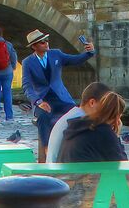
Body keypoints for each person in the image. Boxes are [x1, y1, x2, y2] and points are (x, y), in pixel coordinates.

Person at [20, 31, 97, 162]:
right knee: (43, 118)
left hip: (61, 99)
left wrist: (90, 52)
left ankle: (81, 147)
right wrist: (38, 101)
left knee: (78, 115)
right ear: (34, 46)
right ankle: (47, 150)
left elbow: (75, 60)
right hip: (43, 100)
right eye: (42, 42)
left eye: (46, 40)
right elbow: (27, 86)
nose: (46, 44)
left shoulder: (56, 54)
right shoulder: (28, 62)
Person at [56, 89, 128, 163]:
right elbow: (122, 163)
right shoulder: (104, 132)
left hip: (64, 173)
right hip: (82, 174)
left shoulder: (77, 124)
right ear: (117, 117)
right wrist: (116, 136)